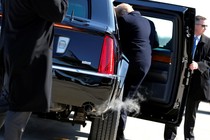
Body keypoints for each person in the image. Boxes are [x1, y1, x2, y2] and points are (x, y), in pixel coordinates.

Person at [0, 0, 68, 139]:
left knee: (6, 102)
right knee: (19, 109)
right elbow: (58, 11)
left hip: (11, 49)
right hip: (28, 55)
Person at [164, 15, 210, 140]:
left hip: (196, 84)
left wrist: (198, 65)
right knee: (174, 111)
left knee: (191, 114)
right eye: (203, 25)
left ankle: (189, 138)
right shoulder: (182, 38)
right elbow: (169, 49)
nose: (205, 28)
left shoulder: (209, 42)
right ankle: (169, 137)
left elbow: (209, 61)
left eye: (206, 25)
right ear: (195, 25)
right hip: (180, 82)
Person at [114, 3, 154, 140]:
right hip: (145, 63)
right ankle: (118, 130)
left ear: (122, 13)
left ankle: (119, 133)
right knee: (128, 96)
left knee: (121, 97)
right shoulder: (148, 22)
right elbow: (154, 43)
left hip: (131, 63)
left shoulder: (124, 20)